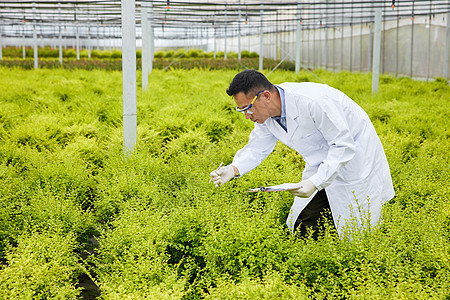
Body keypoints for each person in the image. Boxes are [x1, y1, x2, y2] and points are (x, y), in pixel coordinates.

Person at [209, 69, 395, 238]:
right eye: (240, 110)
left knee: (357, 229)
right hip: (319, 164)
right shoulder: (266, 117)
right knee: (301, 224)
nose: (247, 115)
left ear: (265, 96)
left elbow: (343, 146)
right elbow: (257, 147)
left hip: (355, 162)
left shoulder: (314, 101)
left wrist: (315, 182)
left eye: (247, 108)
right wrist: (233, 169)